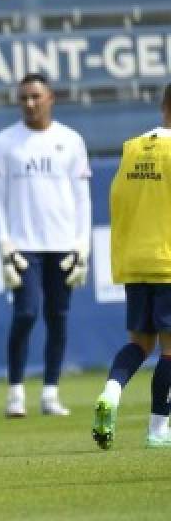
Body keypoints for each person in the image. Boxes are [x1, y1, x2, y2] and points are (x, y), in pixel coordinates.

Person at [0, 72, 91, 418]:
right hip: (23, 245)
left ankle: (50, 393)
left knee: (58, 318)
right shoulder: (4, 142)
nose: (30, 103)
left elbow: (82, 198)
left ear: (51, 98)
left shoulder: (71, 140)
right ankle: (15, 393)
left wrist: (82, 245)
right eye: (24, 98)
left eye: (36, 96)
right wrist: (5, 246)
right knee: (27, 313)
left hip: (62, 243)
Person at [92, 83, 171, 450]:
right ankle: (158, 429)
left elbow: (117, 201)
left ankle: (111, 392)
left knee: (139, 343)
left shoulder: (133, 148)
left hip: (135, 262)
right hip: (168, 262)